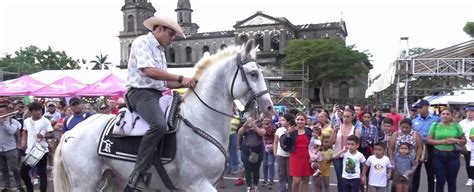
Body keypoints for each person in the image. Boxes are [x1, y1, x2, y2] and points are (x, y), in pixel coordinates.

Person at [123, 15, 197, 190]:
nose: (172, 39)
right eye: (171, 34)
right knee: (159, 125)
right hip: (140, 94)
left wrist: (188, 82)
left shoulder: (160, 51)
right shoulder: (142, 42)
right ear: (159, 29)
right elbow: (149, 71)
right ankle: (138, 173)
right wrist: (180, 77)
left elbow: (164, 82)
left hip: (157, 94)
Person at [427, 108, 466, 192]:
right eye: (443, 114)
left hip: (453, 155)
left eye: (447, 114)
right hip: (438, 156)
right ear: (440, 115)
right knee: (440, 180)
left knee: (451, 181)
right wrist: (441, 141)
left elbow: (463, 141)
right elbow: (429, 140)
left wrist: (456, 140)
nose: (445, 115)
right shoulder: (435, 125)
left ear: (451, 116)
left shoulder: (456, 126)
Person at [20, 102, 54, 192]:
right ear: (31, 111)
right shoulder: (27, 121)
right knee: (23, 172)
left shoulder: (45, 121)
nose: (38, 112)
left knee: (42, 172)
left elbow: (52, 134)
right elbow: (24, 132)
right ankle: (30, 189)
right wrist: (23, 142)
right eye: (36, 110)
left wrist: (43, 136)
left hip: (41, 150)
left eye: (39, 110)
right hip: (30, 151)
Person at [330, 109, 361, 192]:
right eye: (344, 116)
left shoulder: (355, 130)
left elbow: (357, 144)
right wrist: (334, 132)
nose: (345, 118)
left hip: (349, 157)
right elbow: (331, 142)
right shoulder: (337, 128)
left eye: (348, 116)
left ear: (352, 117)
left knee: (349, 179)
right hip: (338, 156)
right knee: (340, 179)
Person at [411, 99, 439, 192]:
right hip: (417, 147)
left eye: (420, 107)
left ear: (427, 107)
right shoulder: (414, 120)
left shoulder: (436, 119)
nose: (418, 109)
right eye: (418, 107)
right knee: (416, 172)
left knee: (430, 172)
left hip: (430, 147)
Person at [282, 113, 313, 192]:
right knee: (296, 181)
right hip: (295, 157)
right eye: (298, 119)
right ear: (295, 121)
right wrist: (288, 133)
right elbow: (284, 143)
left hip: (307, 158)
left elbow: (313, 143)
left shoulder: (308, 131)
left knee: (305, 180)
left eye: (302, 119)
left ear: (305, 121)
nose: (300, 121)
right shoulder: (292, 131)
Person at [0, 103, 24, 192]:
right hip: (0, 149)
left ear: (7, 112)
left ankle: (19, 186)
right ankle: (7, 187)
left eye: (2, 112)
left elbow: (12, 131)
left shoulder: (13, 122)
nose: (0, 114)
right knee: (4, 169)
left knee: (14, 168)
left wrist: (4, 123)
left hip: (11, 149)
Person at [238, 117, 265, 192]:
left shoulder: (259, 127)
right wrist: (244, 126)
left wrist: (255, 126)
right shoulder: (245, 129)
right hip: (246, 152)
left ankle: (256, 186)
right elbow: (239, 133)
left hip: (258, 152)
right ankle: (249, 186)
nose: (250, 122)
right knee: (248, 170)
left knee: (256, 170)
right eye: (248, 121)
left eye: (251, 120)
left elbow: (262, 133)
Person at [273, 113, 294, 192]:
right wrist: (275, 152)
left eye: (283, 120)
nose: (281, 121)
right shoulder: (279, 130)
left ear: (289, 122)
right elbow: (275, 142)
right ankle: (282, 189)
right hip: (280, 155)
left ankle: (290, 189)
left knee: (290, 175)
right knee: (281, 174)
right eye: (281, 120)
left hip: (290, 155)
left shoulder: (293, 130)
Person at [261, 114, 277, 189]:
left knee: (271, 164)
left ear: (270, 119)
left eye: (267, 118)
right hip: (263, 147)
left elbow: (276, 139)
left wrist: (273, 147)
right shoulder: (260, 127)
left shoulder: (273, 127)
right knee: (264, 164)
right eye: (264, 118)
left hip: (271, 147)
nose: (266, 119)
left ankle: (271, 181)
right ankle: (265, 180)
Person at [460, 105, 474, 186]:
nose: (469, 113)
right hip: (467, 147)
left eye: (471, 112)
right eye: (468, 112)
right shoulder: (462, 123)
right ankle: (470, 178)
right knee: (468, 163)